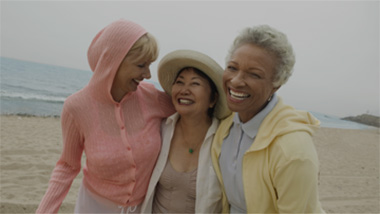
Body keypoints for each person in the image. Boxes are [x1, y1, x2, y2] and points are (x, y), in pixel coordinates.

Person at [36, 19, 175, 214]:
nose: (147, 74)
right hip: (93, 207)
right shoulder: (76, 107)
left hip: (143, 208)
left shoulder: (151, 97)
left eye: (149, 65)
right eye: (141, 65)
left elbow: (191, 112)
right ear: (113, 61)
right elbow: (67, 166)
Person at [211, 25, 325, 213]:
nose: (237, 81)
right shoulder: (227, 124)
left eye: (254, 74)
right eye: (232, 67)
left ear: (276, 85)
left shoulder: (293, 150)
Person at [140, 50, 231, 213]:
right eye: (180, 82)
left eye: (195, 84)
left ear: (213, 99)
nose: (184, 90)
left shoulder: (224, 140)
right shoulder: (161, 129)